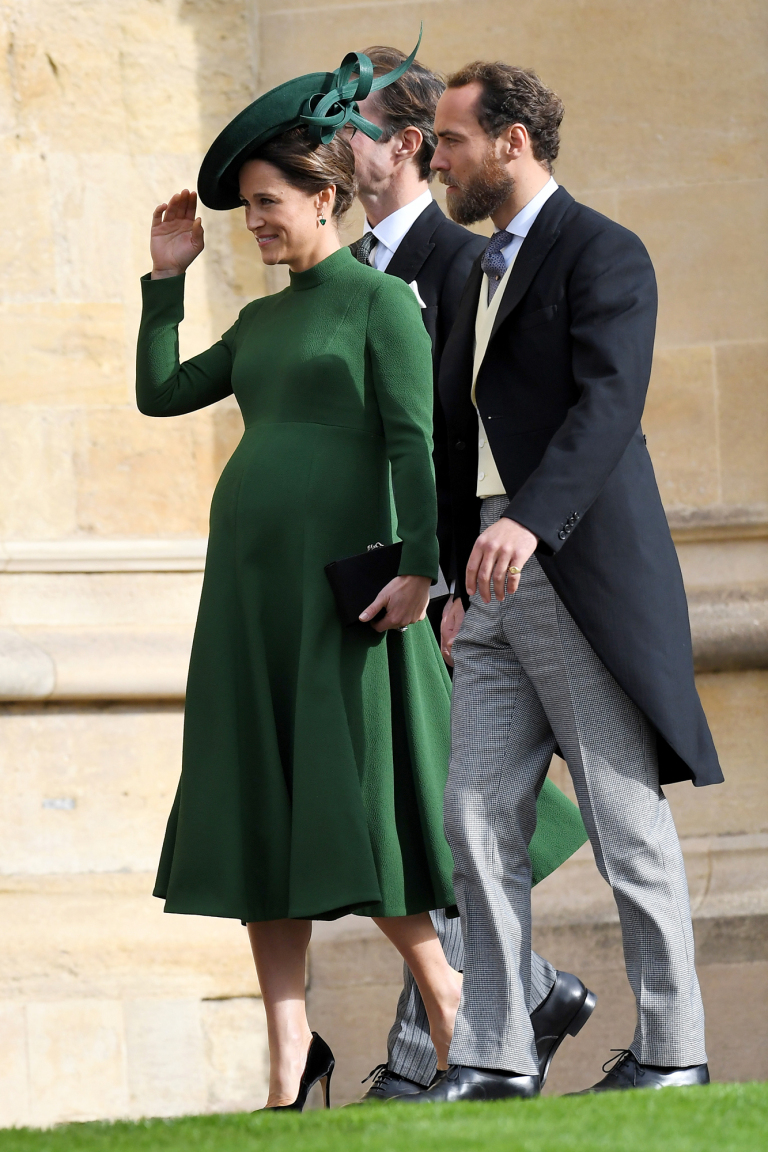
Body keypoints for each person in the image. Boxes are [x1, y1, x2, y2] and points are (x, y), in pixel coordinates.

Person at [135, 43, 587, 1112]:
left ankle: (448, 1001)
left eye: (267, 203)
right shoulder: (260, 320)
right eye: (248, 207)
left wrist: (423, 572)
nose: (255, 223)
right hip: (248, 594)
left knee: (362, 800)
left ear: (323, 197)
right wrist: (166, 280)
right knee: (260, 799)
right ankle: (291, 1058)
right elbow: (161, 393)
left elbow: (411, 443)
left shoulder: (381, 304)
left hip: (342, 591)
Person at [401, 61, 723, 1105]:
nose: (435, 161)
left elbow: (609, 407)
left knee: (624, 823)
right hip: (487, 582)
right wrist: (454, 578)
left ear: (513, 142)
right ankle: (495, 1054)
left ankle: (673, 1053)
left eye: (451, 141)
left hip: (571, 570)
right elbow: (457, 434)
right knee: (474, 817)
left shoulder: (604, 251)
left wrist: (529, 521)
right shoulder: (470, 273)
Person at [347, 47, 596, 1103]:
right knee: (422, 807)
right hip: (376, 574)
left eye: (347, 125)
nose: (329, 146)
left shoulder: (466, 261)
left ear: (406, 143)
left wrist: (446, 578)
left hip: (450, 577)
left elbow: (466, 438)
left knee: (442, 807)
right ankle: (520, 1000)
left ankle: (432, 1054)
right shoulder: (350, 268)